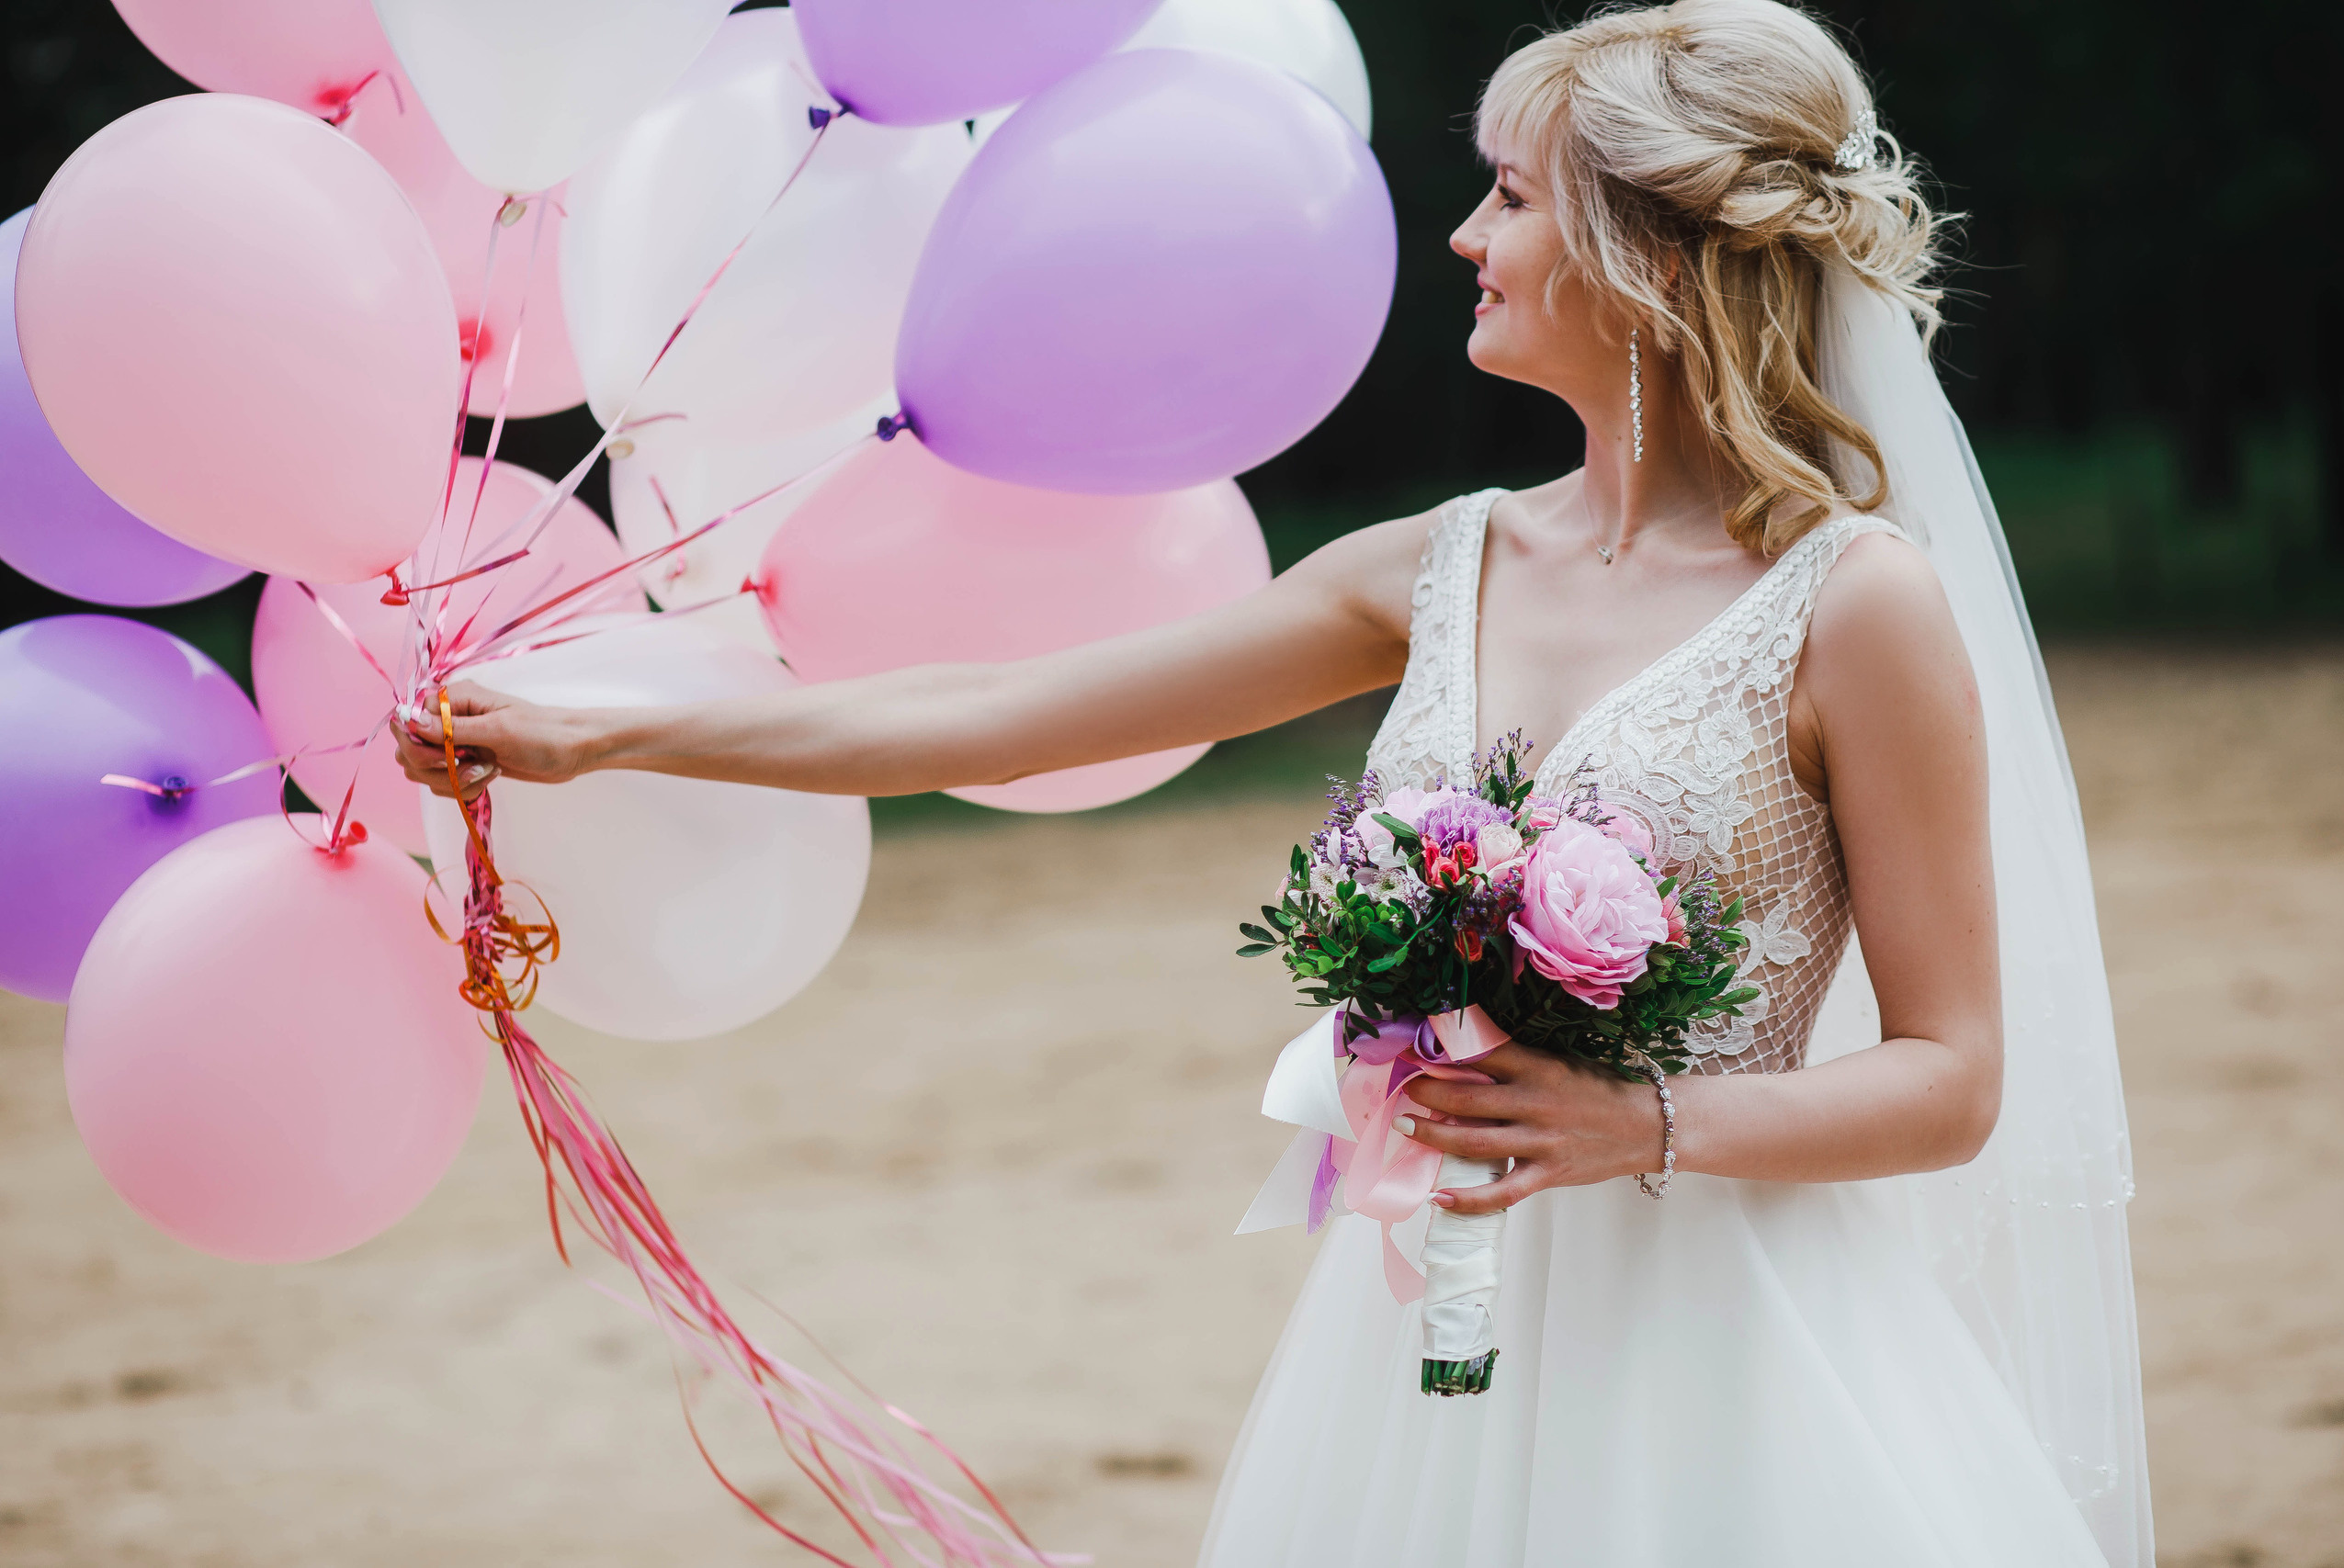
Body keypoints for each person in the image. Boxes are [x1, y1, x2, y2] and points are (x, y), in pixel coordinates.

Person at [398, 2, 2149, 1562]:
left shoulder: (1855, 608)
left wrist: (1643, 1125)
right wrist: (606, 721)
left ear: (1654, 256)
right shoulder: (1433, 566)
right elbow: (1001, 711)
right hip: (1425, 1326)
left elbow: (1952, 1076)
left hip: (1743, 1344)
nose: (1466, 236)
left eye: (1514, 198)